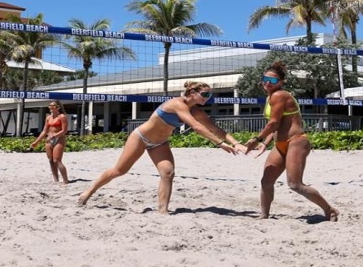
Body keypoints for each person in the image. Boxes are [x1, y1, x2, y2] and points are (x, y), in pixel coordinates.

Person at [78, 81, 243, 214]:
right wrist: (220, 144)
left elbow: (215, 128)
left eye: (210, 95)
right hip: (141, 138)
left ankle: (162, 211)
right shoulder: (178, 104)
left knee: (167, 173)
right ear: (193, 93)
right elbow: (197, 127)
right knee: (119, 171)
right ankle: (88, 192)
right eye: (205, 94)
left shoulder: (196, 111)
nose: (208, 98)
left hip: (159, 143)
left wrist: (235, 142)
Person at [244, 61, 339, 222]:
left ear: (281, 82)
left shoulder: (280, 95)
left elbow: (273, 123)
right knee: (266, 181)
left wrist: (256, 139)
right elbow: (277, 125)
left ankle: (329, 210)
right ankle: (264, 216)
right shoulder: (269, 97)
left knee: (295, 185)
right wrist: (265, 144)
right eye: (265, 79)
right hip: (280, 144)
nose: (268, 82)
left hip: (296, 141)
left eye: (273, 80)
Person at [30, 101, 70, 184]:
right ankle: (56, 179)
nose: (50, 107)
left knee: (57, 160)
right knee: (51, 160)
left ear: (58, 107)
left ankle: (65, 180)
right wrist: (37, 141)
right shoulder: (48, 117)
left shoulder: (62, 117)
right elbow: (44, 131)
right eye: (50, 105)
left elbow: (64, 130)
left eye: (52, 105)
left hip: (59, 139)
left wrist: (54, 136)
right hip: (49, 139)